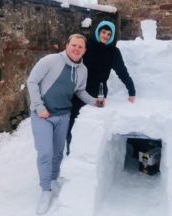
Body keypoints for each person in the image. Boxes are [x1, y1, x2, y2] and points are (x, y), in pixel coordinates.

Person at [27, 34, 102, 215]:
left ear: (85, 50)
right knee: (46, 153)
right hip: (42, 115)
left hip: (63, 115)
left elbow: (80, 91)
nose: (76, 49)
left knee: (58, 152)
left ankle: (53, 179)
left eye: (80, 47)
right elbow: (32, 82)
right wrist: (39, 107)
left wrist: (94, 102)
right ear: (67, 45)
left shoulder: (82, 70)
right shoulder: (50, 60)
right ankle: (45, 190)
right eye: (73, 45)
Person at [66, 20, 136, 150]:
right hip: (81, 87)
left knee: (94, 120)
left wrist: (131, 90)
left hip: (99, 91)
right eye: (103, 32)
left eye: (109, 34)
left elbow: (122, 72)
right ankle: (72, 148)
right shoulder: (87, 45)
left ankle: (91, 149)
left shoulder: (114, 52)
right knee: (73, 117)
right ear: (98, 32)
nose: (106, 36)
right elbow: (72, 61)